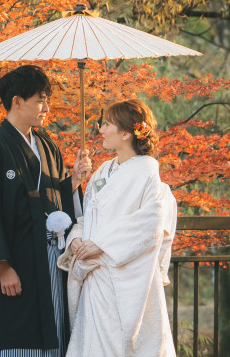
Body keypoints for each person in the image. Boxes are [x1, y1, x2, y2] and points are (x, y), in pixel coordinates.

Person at [0, 65, 92, 357]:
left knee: (54, 333)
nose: (46, 106)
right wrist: (2, 266)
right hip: (15, 260)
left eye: (46, 99)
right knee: (18, 335)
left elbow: (53, 200)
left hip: (50, 258)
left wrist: (73, 181)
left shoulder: (47, 146)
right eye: (39, 99)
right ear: (17, 101)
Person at [57, 97, 178, 357]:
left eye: (107, 124)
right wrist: (76, 240)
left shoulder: (147, 172)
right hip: (95, 276)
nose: (100, 129)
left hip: (126, 275)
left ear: (126, 133)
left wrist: (100, 244)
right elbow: (86, 220)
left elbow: (150, 225)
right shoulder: (102, 172)